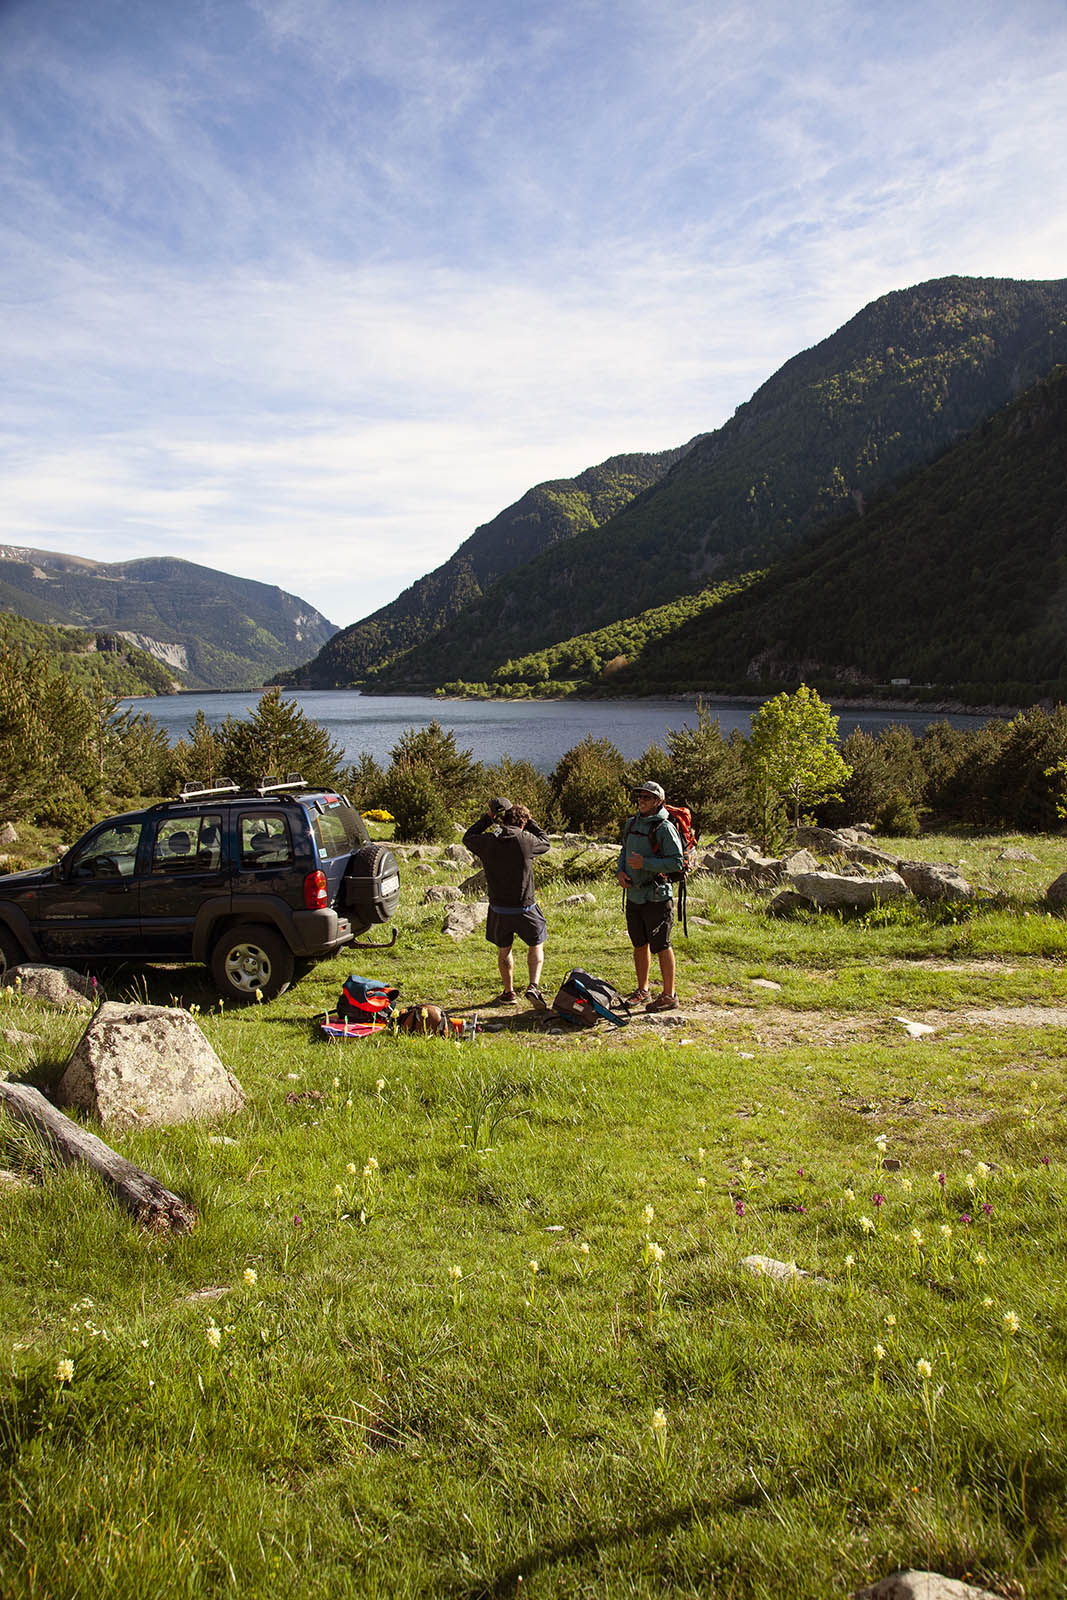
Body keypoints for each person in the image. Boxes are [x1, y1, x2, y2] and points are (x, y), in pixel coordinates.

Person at [462, 797, 551, 1007]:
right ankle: (533, 986)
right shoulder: (526, 840)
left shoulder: (489, 841)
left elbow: (468, 837)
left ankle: (509, 993)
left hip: (499, 908)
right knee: (536, 944)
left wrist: (488, 818)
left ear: (502, 821)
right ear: (522, 823)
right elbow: (546, 842)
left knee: (504, 950)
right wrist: (530, 823)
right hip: (525, 906)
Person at [617, 779, 683, 1012]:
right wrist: (620, 872)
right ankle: (643, 990)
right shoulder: (631, 824)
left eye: (647, 797)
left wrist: (645, 863)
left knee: (662, 945)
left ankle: (669, 995)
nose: (641, 801)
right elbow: (624, 850)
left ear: (658, 801)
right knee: (639, 944)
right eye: (640, 797)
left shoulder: (664, 828)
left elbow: (677, 862)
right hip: (634, 895)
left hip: (657, 896)